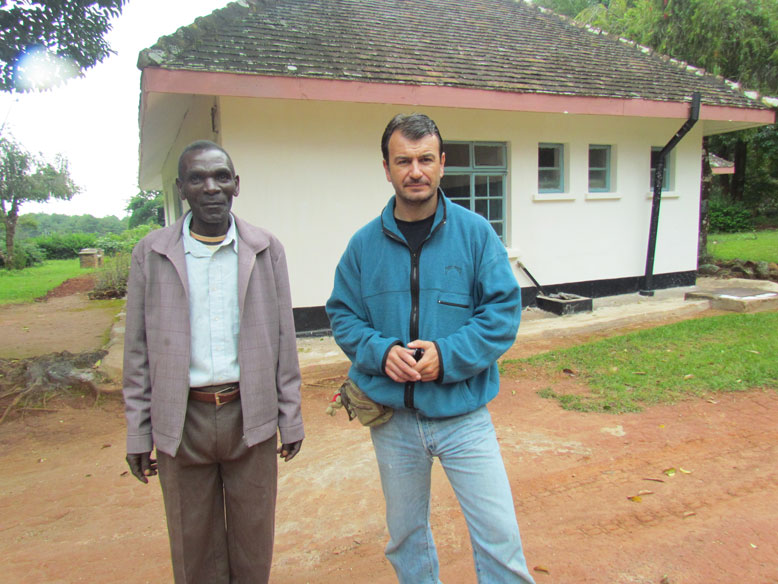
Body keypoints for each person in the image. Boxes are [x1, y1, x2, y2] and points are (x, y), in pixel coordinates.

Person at [326, 114, 535, 583]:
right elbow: (342, 314)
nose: (415, 171)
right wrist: (380, 352)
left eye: (425, 159)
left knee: (499, 540)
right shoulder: (363, 246)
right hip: (395, 424)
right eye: (403, 160)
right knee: (406, 540)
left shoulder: (476, 233)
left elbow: (503, 312)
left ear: (442, 163)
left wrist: (448, 355)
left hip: (465, 416)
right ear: (386, 168)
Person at [123, 140, 304, 584]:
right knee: (192, 546)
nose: (211, 188)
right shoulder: (152, 253)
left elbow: (285, 339)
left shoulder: (266, 249)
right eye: (197, 178)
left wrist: (291, 418)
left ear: (236, 184)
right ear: (181, 187)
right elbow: (137, 352)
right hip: (182, 419)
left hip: (251, 415)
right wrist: (138, 430)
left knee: (253, 541)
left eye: (221, 176)